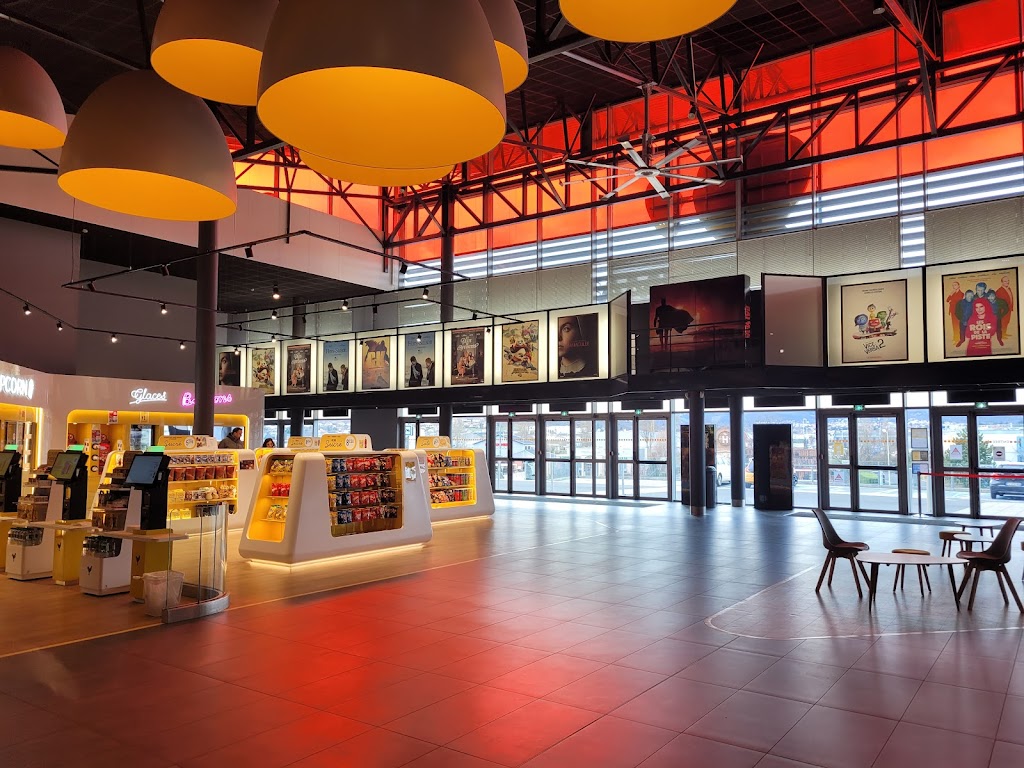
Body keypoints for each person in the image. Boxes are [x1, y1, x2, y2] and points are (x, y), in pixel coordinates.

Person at [946, 280, 964, 345]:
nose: (954, 286)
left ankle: (958, 339)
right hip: (952, 311)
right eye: (953, 285)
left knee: (957, 325)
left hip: (957, 312)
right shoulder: (953, 293)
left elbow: (957, 301)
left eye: (955, 285)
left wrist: (952, 301)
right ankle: (955, 338)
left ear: (959, 286)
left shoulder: (961, 293)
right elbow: (947, 300)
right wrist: (950, 294)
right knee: (954, 325)